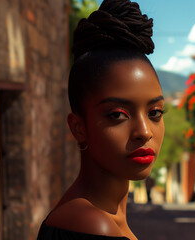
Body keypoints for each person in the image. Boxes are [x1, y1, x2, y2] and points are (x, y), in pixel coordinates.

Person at [37, 0, 164, 239]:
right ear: (78, 127)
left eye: (154, 112)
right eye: (117, 115)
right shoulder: (92, 225)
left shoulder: (99, 218)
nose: (144, 131)